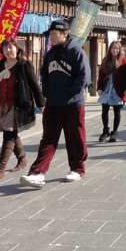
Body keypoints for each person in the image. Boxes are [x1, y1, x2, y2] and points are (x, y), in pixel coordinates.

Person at [20, 20, 90, 188]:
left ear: (65, 34)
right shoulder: (50, 54)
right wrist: (46, 96)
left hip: (73, 104)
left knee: (74, 137)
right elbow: (44, 75)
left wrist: (70, 95)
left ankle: (77, 168)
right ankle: (38, 173)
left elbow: (83, 78)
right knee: (48, 139)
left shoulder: (76, 52)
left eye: (54, 34)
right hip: (53, 104)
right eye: (50, 34)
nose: (51, 37)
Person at [0, 39, 43, 183]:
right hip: (3, 105)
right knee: (11, 133)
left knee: (9, 136)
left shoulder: (24, 65)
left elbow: (34, 85)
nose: (8, 50)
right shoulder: (0, 64)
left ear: (17, 49)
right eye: (5, 48)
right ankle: (22, 159)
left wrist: (41, 104)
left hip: (19, 106)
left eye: (11, 47)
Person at [96, 40, 126, 142]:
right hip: (107, 88)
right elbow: (101, 76)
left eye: (117, 48)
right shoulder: (105, 60)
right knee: (104, 110)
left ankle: (114, 132)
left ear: (120, 50)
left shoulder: (124, 61)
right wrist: (99, 88)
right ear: (110, 49)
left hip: (118, 89)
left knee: (117, 111)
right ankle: (105, 130)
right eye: (113, 48)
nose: (115, 50)